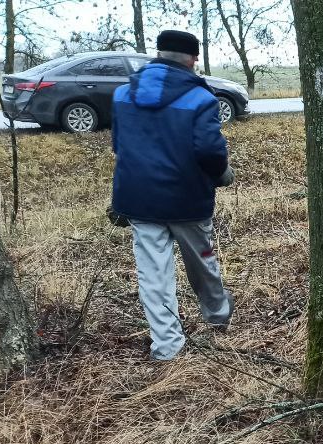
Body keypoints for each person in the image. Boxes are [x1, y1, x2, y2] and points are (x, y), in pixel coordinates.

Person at [110, 30, 235, 361]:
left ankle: (167, 346)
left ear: (159, 54)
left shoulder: (122, 94)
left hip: (138, 199)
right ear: (193, 60)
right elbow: (209, 151)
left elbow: (119, 146)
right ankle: (218, 315)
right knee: (202, 261)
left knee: (153, 275)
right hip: (187, 199)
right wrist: (222, 174)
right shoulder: (201, 99)